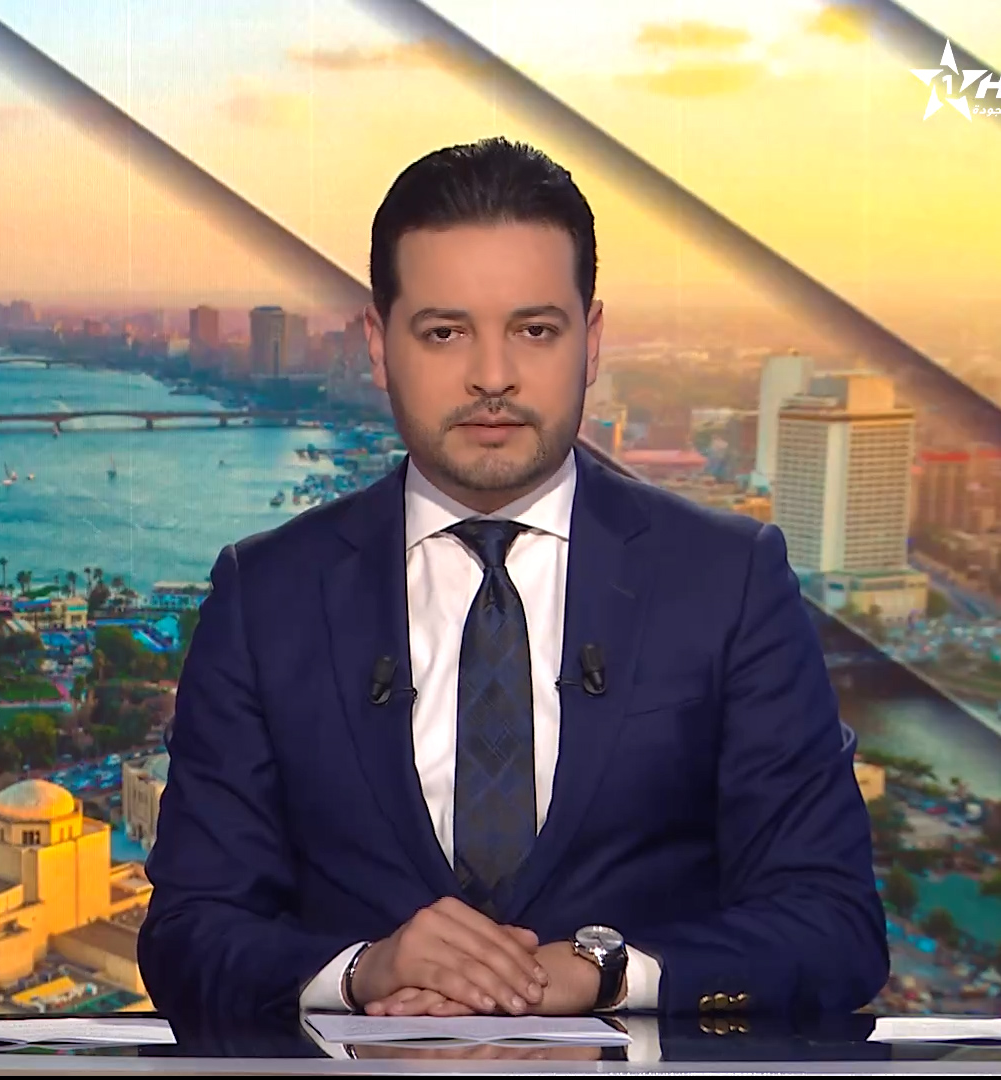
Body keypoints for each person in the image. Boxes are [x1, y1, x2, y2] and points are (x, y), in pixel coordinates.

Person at [137, 138, 887, 1021]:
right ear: (378, 346)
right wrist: (362, 971)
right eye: (444, 333)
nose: (492, 376)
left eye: (534, 331)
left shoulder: (728, 581)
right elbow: (189, 933)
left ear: (591, 342)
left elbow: (834, 925)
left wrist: (603, 973)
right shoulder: (266, 595)